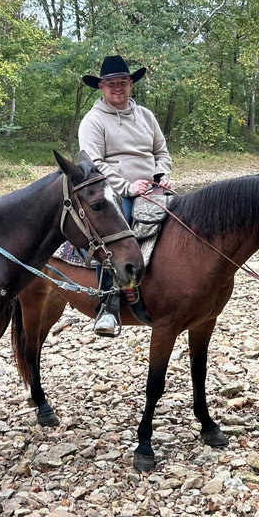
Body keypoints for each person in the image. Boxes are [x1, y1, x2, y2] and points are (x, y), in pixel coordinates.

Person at [78, 54, 172, 336]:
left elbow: (161, 152)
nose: (117, 88)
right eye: (111, 84)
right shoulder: (93, 121)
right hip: (112, 190)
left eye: (122, 82)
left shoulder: (146, 116)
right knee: (117, 233)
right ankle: (108, 305)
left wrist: (161, 175)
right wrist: (128, 187)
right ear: (101, 87)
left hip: (152, 186)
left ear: (131, 84)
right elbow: (93, 164)